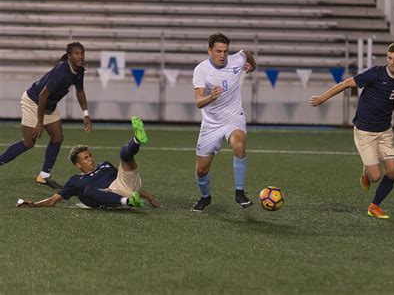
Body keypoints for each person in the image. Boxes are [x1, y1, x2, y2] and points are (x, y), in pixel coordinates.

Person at [310, 42, 394, 219]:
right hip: (364, 130)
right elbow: (345, 84)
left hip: (385, 131)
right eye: (389, 58)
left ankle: (374, 206)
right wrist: (321, 99)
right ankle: (366, 171)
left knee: (393, 172)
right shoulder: (376, 73)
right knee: (375, 176)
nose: (392, 62)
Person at [0, 42, 92, 189]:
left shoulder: (79, 69)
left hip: (48, 105)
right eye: (76, 53)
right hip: (34, 101)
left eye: (82, 53)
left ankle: (43, 176)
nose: (80, 56)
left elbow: (80, 91)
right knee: (29, 142)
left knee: (57, 137)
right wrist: (39, 123)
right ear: (69, 56)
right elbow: (43, 95)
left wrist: (85, 114)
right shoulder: (62, 73)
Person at [16, 117, 159, 209]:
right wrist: (34, 204)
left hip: (123, 185)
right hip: (112, 196)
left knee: (124, 155)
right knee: (88, 190)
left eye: (90, 155)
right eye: (85, 158)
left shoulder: (105, 166)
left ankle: (137, 139)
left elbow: (126, 182)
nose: (90, 158)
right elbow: (54, 200)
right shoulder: (75, 181)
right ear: (78, 165)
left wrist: (149, 197)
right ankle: (128, 202)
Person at [191, 33, 257, 212]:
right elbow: (198, 102)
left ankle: (240, 193)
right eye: (218, 51)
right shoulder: (201, 70)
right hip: (211, 124)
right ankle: (205, 198)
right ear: (210, 51)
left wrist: (252, 66)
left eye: (225, 51)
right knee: (202, 170)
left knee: (238, 144)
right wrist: (211, 97)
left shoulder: (237, 60)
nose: (222, 55)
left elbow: (246, 53)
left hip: (233, 117)